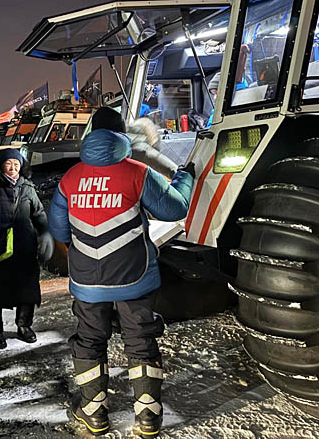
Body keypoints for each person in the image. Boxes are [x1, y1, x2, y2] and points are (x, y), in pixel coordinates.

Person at [48, 107, 195, 438]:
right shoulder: (137, 171)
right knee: (140, 340)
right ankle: (147, 417)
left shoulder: (71, 178)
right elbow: (175, 209)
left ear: (90, 135)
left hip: (87, 281)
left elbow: (58, 228)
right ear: (121, 135)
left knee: (89, 339)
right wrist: (186, 177)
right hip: (135, 277)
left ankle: (94, 412)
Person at [0, 148, 53, 349]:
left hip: (23, 246)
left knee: (27, 288)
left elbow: (39, 213)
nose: (13, 168)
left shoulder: (27, 187)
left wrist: (45, 233)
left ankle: (24, 326)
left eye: (16, 164)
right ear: (0, 165)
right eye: (9, 164)